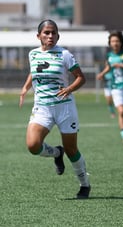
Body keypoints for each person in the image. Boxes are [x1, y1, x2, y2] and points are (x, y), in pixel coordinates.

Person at [19, 19, 91, 199]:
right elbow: (34, 71)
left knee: (72, 149)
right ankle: (57, 153)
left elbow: (81, 78)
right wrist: (25, 87)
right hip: (42, 108)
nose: (50, 36)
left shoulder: (65, 54)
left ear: (58, 36)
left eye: (54, 33)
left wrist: (69, 89)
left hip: (64, 108)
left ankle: (84, 185)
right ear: (39, 36)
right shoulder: (33, 54)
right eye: (46, 33)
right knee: (32, 145)